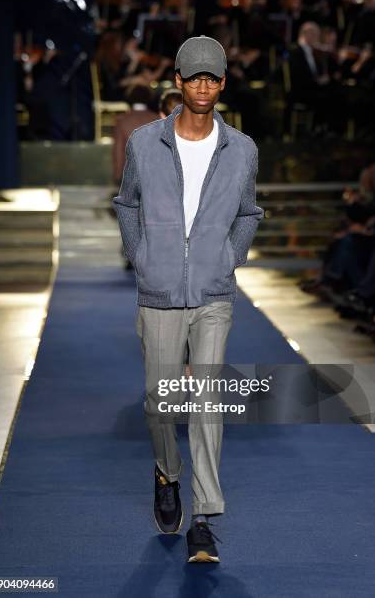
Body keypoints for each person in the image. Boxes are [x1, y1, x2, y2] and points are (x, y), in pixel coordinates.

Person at [112, 35, 264, 563]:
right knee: (160, 403)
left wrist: (230, 256)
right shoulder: (144, 142)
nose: (202, 86)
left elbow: (248, 212)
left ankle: (204, 517)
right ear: (177, 81)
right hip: (158, 292)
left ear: (222, 83)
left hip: (214, 292)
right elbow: (126, 203)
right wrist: (142, 255)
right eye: (193, 76)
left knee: (205, 405)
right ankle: (167, 473)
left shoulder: (241, 148)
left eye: (212, 77)